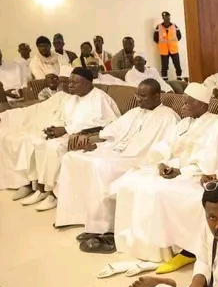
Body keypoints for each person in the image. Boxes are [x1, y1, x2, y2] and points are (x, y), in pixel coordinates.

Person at [110, 83, 218, 266]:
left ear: (202, 104)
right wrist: (162, 163)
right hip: (174, 170)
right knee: (131, 182)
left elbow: (212, 160)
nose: (183, 107)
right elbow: (166, 145)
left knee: (156, 191)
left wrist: (181, 171)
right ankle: (135, 243)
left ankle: (168, 248)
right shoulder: (184, 123)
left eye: (187, 103)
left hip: (195, 175)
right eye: (183, 103)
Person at [54, 79, 179, 249]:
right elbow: (110, 132)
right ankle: (77, 216)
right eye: (137, 95)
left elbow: (166, 147)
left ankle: (102, 227)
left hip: (138, 159)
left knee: (101, 167)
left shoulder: (168, 117)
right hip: (114, 150)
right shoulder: (134, 112)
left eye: (143, 96)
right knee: (71, 158)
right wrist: (94, 144)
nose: (138, 99)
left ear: (157, 96)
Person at [3, 67, 121, 210]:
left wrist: (66, 130)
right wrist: (54, 129)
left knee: (53, 148)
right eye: (69, 82)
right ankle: (39, 188)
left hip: (88, 137)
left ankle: (54, 194)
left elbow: (106, 124)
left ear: (87, 83)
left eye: (74, 82)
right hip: (70, 134)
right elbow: (66, 120)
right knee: (38, 143)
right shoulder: (72, 99)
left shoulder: (100, 98)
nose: (70, 85)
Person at [154, 11, 183, 80]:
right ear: (163, 18)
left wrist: (173, 43)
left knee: (177, 65)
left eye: (168, 17)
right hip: (164, 50)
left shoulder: (174, 26)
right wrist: (162, 44)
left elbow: (179, 36)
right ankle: (165, 80)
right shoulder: (159, 27)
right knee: (164, 67)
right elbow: (155, 38)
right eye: (165, 17)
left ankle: (179, 78)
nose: (167, 18)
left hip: (174, 49)